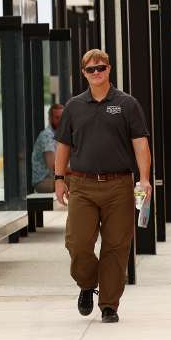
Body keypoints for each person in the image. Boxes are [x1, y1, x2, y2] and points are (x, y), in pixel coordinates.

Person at [53, 49, 152, 324]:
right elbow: (63, 145)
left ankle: (109, 304)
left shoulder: (127, 104)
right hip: (82, 185)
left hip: (119, 185)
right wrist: (59, 179)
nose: (96, 73)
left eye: (101, 68)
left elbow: (140, 144)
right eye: (91, 69)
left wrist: (144, 178)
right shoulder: (74, 106)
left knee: (116, 246)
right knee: (77, 243)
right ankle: (87, 283)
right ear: (83, 73)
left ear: (109, 69)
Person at [31, 104, 63, 193]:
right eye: (57, 118)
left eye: (63, 118)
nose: (61, 121)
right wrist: (74, 171)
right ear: (50, 119)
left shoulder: (61, 135)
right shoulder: (47, 136)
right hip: (43, 181)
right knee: (75, 181)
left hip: (54, 178)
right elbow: (54, 166)